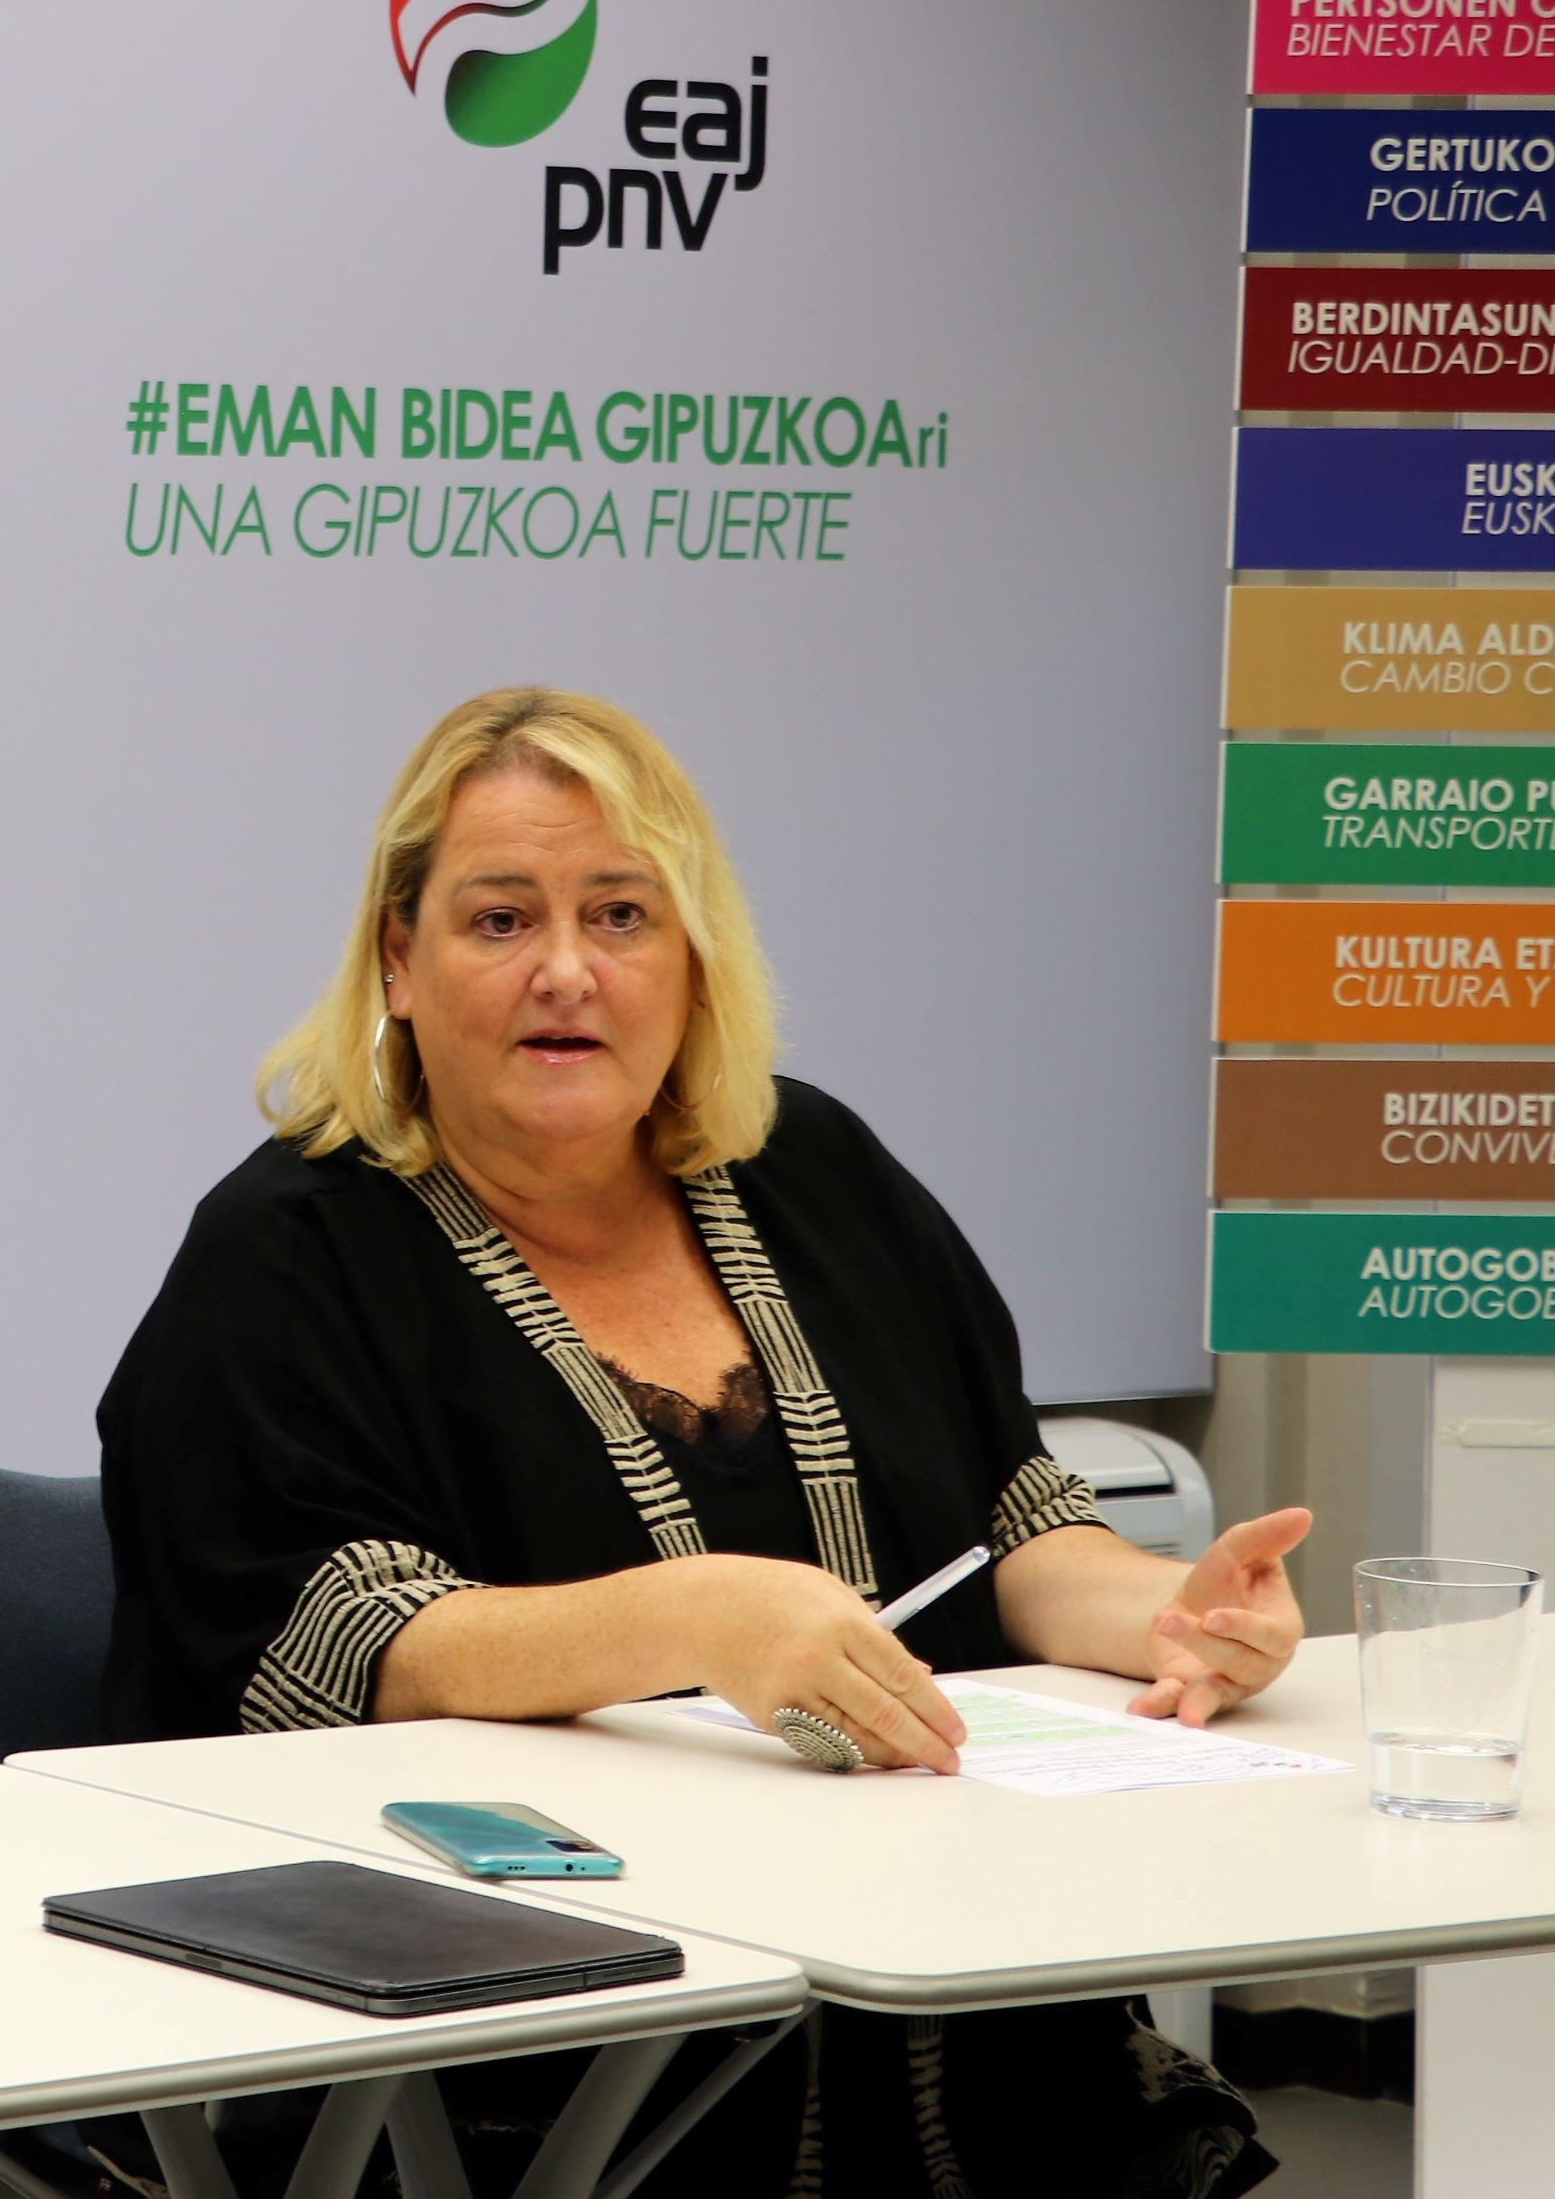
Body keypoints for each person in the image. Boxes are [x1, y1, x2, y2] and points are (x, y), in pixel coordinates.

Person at [96, 687, 1304, 2198]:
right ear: (396, 960)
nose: (566, 970)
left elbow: (1011, 1520)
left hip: (941, 1989)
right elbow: (339, 1646)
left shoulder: (818, 1169)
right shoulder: (286, 1251)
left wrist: (1168, 1612)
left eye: (621, 914)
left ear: (693, 958)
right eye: (498, 919)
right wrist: (691, 1619)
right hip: (518, 2051)